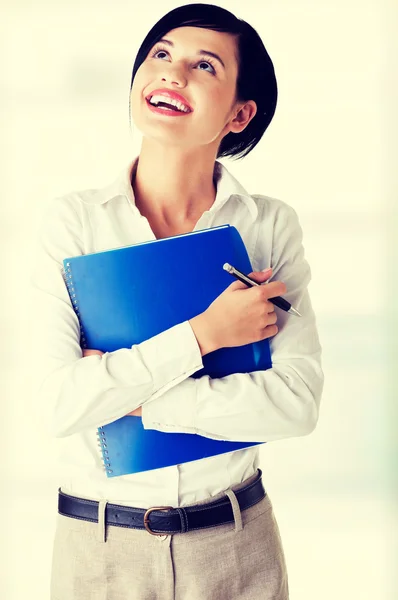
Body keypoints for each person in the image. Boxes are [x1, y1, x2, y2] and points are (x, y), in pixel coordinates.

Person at [30, 3, 324, 599]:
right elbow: (57, 406)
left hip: (238, 544)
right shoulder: (74, 224)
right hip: (101, 550)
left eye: (204, 65)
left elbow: (295, 404)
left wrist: (136, 401)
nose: (171, 72)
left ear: (241, 114)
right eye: (161, 54)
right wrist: (204, 335)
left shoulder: (267, 227)